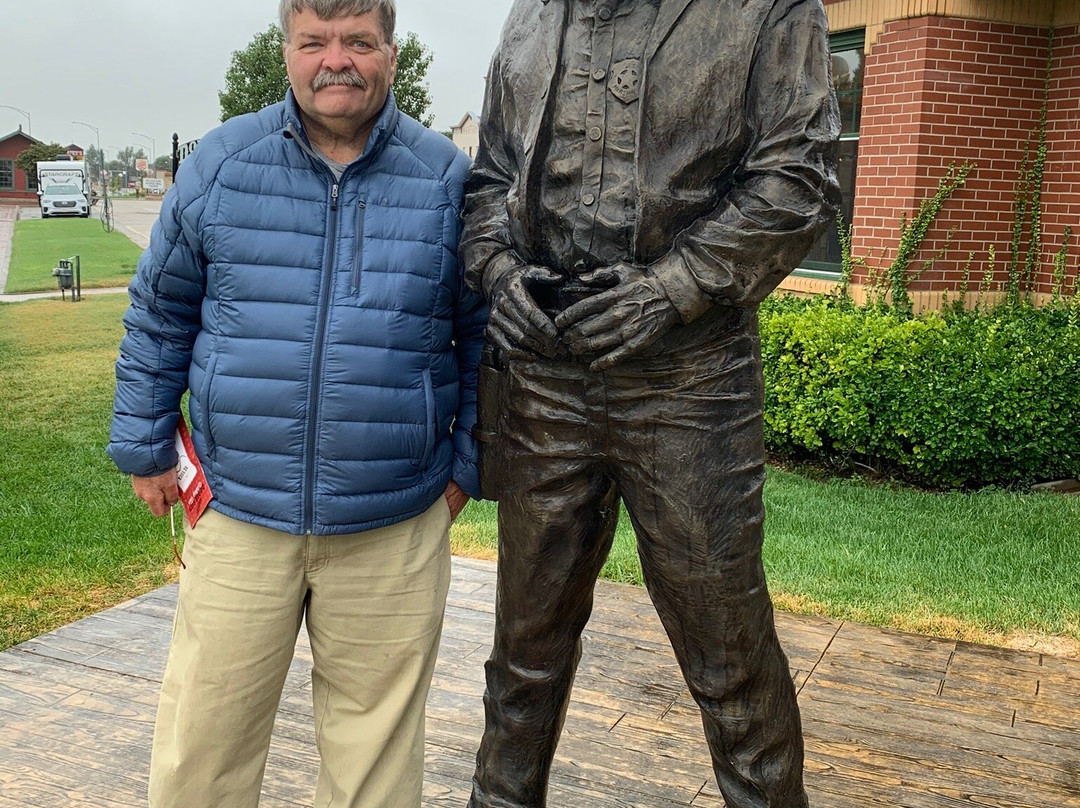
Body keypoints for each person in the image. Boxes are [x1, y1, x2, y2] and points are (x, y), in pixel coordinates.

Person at [107, 1, 486, 806]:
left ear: (391, 51)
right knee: (203, 751)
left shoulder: (445, 180)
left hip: (394, 524)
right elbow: (160, 311)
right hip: (241, 514)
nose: (335, 61)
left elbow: (489, 337)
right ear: (287, 51)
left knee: (374, 758)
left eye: (357, 41)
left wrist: (469, 466)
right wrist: (144, 446)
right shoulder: (222, 162)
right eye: (314, 41)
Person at [462, 0, 840, 806]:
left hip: (689, 386)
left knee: (729, 662)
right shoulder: (528, 21)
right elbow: (489, 180)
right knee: (523, 657)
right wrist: (498, 274)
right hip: (546, 377)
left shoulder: (765, 10)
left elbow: (798, 176)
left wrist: (672, 288)